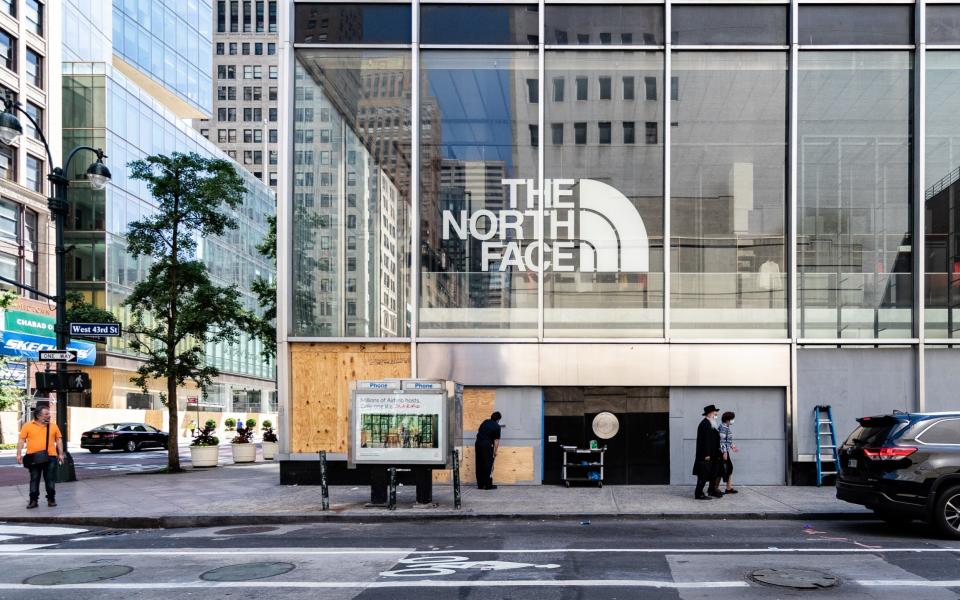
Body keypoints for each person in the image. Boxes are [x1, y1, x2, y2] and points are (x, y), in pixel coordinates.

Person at [15, 406, 64, 509]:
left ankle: (51, 499)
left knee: (50, 479)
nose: (49, 416)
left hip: (50, 457)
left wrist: (61, 454)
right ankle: (33, 500)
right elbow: (21, 441)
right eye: (46, 414)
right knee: (34, 479)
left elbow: (59, 440)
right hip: (33, 458)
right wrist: (18, 454)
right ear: (38, 415)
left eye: (49, 414)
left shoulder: (53, 426)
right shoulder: (27, 426)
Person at [692, 404, 723, 500]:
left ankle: (711, 490)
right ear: (710, 413)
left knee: (713, 473)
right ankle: (699, 494)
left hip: (714, 455)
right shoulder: (705, 424)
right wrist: (706, 454)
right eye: (714, 412)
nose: (716, 414)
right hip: (707, 455)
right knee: (703, 475)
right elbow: (705, 441)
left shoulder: (711, 423)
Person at [475, 411, 502, 490]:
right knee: (488, 464)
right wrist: (495, 452)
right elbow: (496, 441)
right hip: (486, 445)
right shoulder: (497, 427)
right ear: (498, 419)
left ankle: (480, 485)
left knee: (479, 464)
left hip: (478, 443)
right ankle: (487, 485)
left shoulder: (485, 422)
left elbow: (479, 431)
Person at [719, 411, 738, 494]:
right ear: (727, 420)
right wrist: (724, 452)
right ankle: (720, 488)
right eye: (732, 419)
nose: (733, 420)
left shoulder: (726, 427)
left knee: (728, 468)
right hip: (723, 452)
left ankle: (728, 488)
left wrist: (732, 446)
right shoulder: (723, 428)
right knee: (723, 469)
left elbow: (727, 440)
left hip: (725, 451)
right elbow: (722, 441)